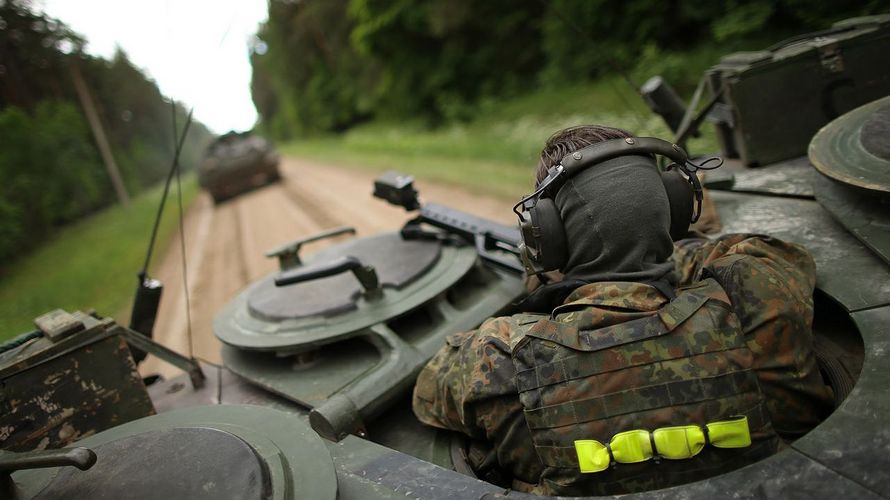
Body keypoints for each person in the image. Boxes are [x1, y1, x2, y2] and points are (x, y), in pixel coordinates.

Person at [411, 125, 833, 496]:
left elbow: (428, 394)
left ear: (550, 236)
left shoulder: (501, 354)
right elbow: (774, 254)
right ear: (673, 208)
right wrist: (659, 253)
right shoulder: (756, 292)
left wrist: (553, 289)